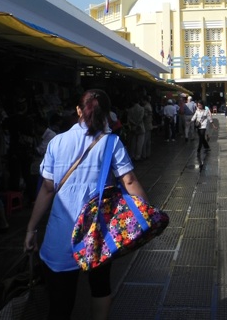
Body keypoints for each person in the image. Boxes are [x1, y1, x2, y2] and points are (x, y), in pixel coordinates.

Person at [24, 89, 148, 320]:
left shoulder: (56, 142)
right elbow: (129, 181)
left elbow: (47, 189)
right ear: (108, 113)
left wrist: (31, 228)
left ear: (78, 111)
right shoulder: (112, 143)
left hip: (61, 235)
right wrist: (147, 216)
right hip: (98, 233)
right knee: (100, 286)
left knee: (60, 301)